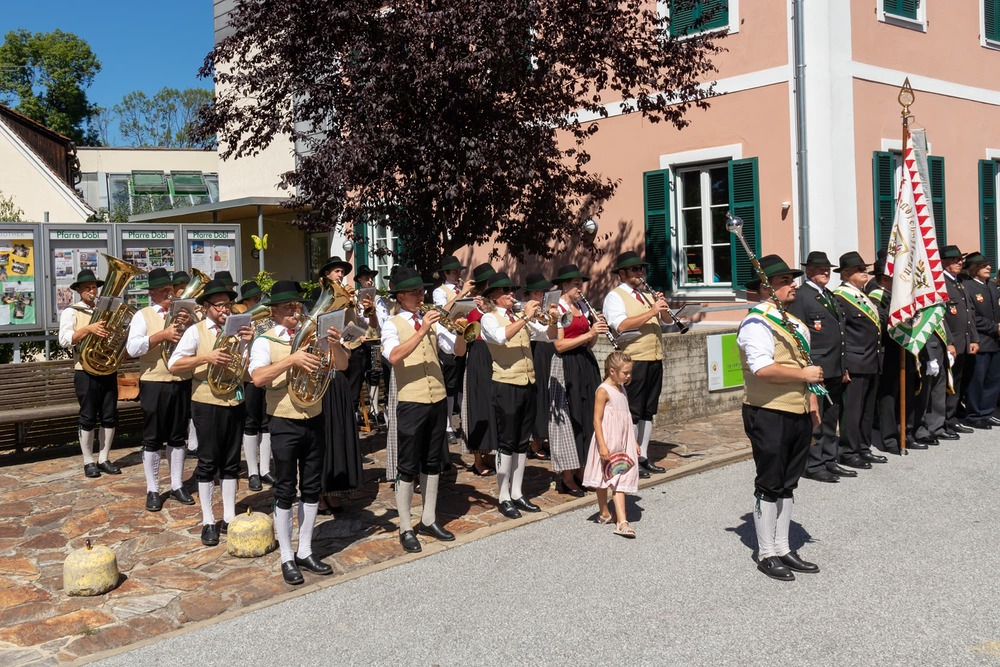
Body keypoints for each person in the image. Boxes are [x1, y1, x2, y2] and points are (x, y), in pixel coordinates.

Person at [249, 280, 348, 584]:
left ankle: (305, 550)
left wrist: (334, 344)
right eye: (288, 307)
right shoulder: (265, 340)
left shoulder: (314, 337)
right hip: (283, 421)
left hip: (314, 417)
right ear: (274, 312)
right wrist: (291, 359)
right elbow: (257, 378)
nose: (295, 312)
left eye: (297, 306)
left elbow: (343, 365)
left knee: (312, 487)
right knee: (285, 488)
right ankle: (286, 556)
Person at [736, 254, 822, 581]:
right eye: (784, 281)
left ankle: (784, 548)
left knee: (788, 483)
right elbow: (762, 368)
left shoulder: (795, 323)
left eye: (791, 279)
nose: (793, 285)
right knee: (770, 482)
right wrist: (803, 375)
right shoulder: (756, 323)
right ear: (766, 287)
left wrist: (812, 403)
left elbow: (805, 367)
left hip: (797, 409)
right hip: (768, 411)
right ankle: (766, 553)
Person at [382, 267, 467, 552]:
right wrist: (422, 330)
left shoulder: (430, 320)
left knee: (432, 462)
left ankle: (429, 518)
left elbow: (456, 352)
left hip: (437, 398)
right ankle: (406, 526)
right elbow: (394, 356)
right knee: (407, 465)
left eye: (422, 291)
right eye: (416, 292)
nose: (421, 296)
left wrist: (462, 332)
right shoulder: (392, 324)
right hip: (411, 401)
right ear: (401, 296)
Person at [168, 280, 252, 546]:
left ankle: (228, 516)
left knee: (231, 462)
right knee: (207, 462)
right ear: (206, 307)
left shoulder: (236, 331)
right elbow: (174, 364)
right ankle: (207, 520)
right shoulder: (195, 331)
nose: (224, 309)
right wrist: (206, 358)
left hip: (234, 399)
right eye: (218, 306)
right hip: (206, 401)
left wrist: (248, 344)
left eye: (227, 304)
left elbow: (246, 369)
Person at [126, 267, 193, 512]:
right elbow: (132, 348)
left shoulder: (184, 315)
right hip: (154, 381)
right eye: (163, 290)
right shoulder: (142, 315)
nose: (169, 294)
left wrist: (190, 325)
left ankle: (177, 484)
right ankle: (152, 489)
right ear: (151, 293)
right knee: (152, 438)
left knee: (178, 436)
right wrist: (162, 335)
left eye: (171, 289)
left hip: (181, 379)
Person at [480, 272, 542, 519]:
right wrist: (525, 317)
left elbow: (547, 335)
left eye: (512, 290)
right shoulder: (488, 318)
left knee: (522, 441)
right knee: (506, 442)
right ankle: (503, 495)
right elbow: (500, 337)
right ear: (494, 296)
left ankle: (517, 492)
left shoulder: (518, 317)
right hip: (505, 384)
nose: (511, 294)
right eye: (505, 291)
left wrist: (553, 318)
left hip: (528, 382)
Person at [602, 251, 669, 477]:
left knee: (649, 410)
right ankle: (630, 457)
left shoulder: (647, 295)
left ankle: (643, 456)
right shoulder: (615, 297)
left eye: (641, 269)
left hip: (654, 357)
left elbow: (666, 320)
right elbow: (620, 325)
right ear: (622, 274)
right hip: (634, 360)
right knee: (633, 411)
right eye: (634, 269)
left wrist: (662, 307)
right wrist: (652, 311)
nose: (640, 273)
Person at [786, 251, 851, 483]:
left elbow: (840, 334)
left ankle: (829, 458)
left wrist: (843, 366)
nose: (825, 272)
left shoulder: (829, 295)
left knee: (831, 417)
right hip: (816, 368)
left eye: (827, 268)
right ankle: (813, 463)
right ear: (808, 271)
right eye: (820, 268)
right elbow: (798, 336)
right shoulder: (802, 297)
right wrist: (808, 368)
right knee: (816, 417)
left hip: (834, 366)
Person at [58, 269, 120, 478]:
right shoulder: (71, 312)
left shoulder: (106, 310)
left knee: (109, 416)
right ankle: (88, 461)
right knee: (88, 416)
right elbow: (64, 340)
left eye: (94, 287)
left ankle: (104, 458)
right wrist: (89, 329)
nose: (92, 291)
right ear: (79, 290)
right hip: (85, 370)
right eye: (87, 288)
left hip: (107, 368)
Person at [549, 264, 604, 495]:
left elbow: (589, 342)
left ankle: (583, 470)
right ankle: (567, 477)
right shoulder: (558, 309)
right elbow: (559, 345)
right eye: (575, 284)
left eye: (580, 284)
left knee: (587, 414)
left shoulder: (582, 306)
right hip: (566, 364)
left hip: (584, 362)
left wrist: (595, 331)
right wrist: (589, 333)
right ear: (564, 286)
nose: (580, 288)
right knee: (570, 418)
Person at [832, 252, 887, 469]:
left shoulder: (862, 295)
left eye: (864, 269)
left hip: (871, 359)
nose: (865, 272)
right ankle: (849, 451)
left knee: (866, 410)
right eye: (859, 270)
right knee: (852, 412)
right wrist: (843, 365)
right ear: (846, 274)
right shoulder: (840, 297)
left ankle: (863, 447)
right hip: (854, 362)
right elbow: (840, 334)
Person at [583, 351, 640, 538]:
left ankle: (612, 517)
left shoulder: (621, 389)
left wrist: (633, 441)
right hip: (608, 439)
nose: (628, 376)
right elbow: (596, 420)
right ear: (612, 371)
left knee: (617, 478)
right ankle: (615, 518)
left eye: (630, 372)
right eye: (625, 372)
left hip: (622, 441)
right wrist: (602, 445)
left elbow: (626, 418)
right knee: (606, 477)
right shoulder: (603, 391)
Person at [232, 280, 274, 490]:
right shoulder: (240, 321)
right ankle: (252, 471)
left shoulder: (268, 321)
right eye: (255, 300)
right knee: (250, 423)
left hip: (268, 375)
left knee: (266, 423)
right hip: (249, 378)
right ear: (246, 303)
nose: (260, 303)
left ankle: (265, 469)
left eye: (261, 299)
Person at [432, 255, 475, 445]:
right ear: (446, 273)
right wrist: (462, 294)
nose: (458, 274)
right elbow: (442, 313)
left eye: (459, 271)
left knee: (463, 384)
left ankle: (465, 421)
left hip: (465, 336)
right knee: (450, 386)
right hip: (448, 339)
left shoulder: (462, 288)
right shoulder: (439, 291)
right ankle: (448, 426)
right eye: (455, 271)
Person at [461, 263, 498, 476]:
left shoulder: (495, 302)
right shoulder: (470, 303)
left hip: (496, 351)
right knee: (478, 403)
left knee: (493, 403)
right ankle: (477, 459)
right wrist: (475, 306)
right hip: (478, 352)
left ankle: (490, 452)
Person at [940, 246, 980, 433]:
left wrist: (974, 338)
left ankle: (952, 416)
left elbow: (969, 314)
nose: (960, 263)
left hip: (963, 342)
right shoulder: (941, 284)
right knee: (946, 384)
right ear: (944, 262)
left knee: (957, 381)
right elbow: (941, 317)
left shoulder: (959, 282)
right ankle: (944, 421)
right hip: (951, 343)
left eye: (960, 259)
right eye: (955, 260)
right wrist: (949, 341)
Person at [962, 252, 1000, 428]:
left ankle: (987, 411)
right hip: (980, 340)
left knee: (993, 379)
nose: (989, 267)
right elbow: (971, 317)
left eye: (988, 264)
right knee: (977, 380)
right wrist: (994, 327)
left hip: (995, 341)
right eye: (984, 266)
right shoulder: (967, 287)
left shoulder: (991, 286)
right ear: (974, 268)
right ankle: (974, 414)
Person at [522, 272, 557, 460]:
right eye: (536, 292)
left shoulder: (546, 309)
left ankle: (545, 437)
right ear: (528, 294)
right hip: (535, 351)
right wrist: (539, 316)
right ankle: (535, 441)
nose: (541, 295)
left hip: (549, 350)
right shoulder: (524, 310)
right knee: (538, 395)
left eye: (542, 292)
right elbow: (539, 331)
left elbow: (553, 333)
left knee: (549, 394)